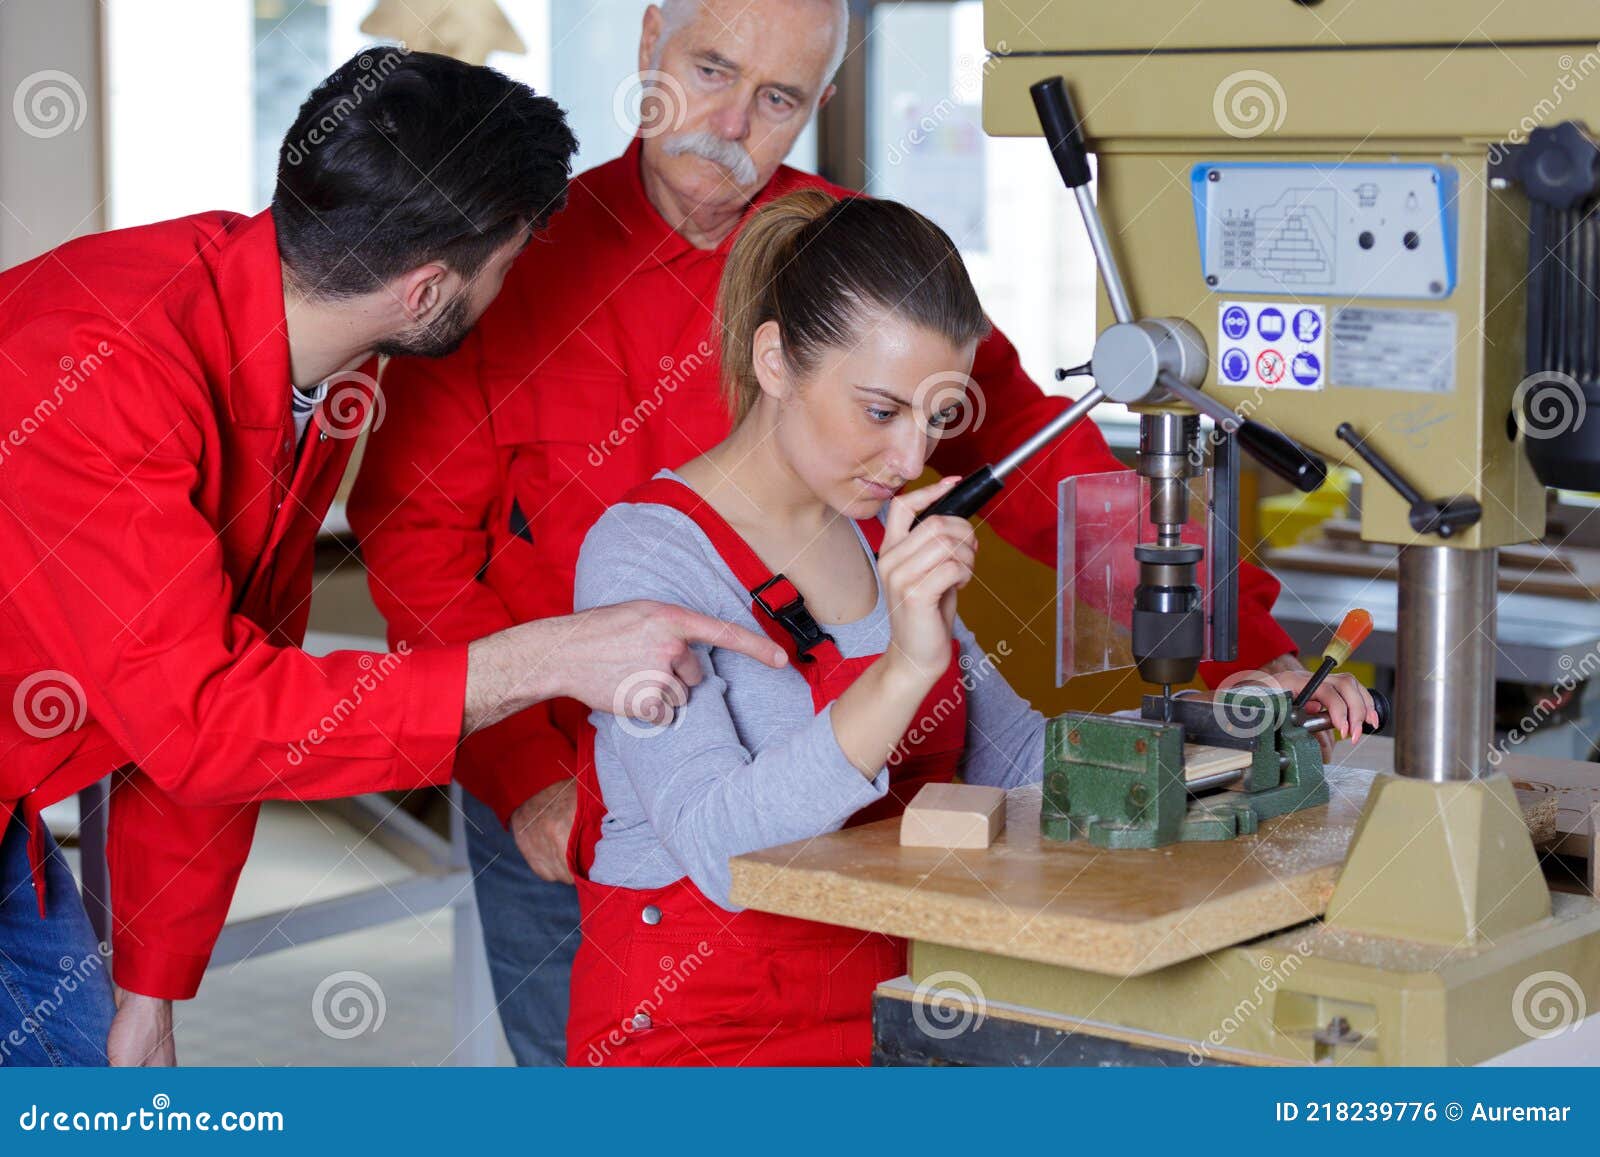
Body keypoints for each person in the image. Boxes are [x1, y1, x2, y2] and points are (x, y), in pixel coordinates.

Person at [347, 0, 1330, 1065]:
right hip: (562, 790)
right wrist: (521, 769)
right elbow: (416, 538)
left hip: (828, 822)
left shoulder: (849, 271)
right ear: (647, 45)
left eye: (777, 99)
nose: (729, 121)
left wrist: (1244, 649)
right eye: (708, 69)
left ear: (818, 102)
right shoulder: (514, 260)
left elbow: (1052, 471)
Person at [0, 48, 785, 1067]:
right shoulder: (88, 373)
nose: (516, 286)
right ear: (424, 292)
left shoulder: (298, 365)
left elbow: (224, 689)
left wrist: (149, 984)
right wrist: (546, 656)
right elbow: (207, 718)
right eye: (508, 261)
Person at [565, 191, 1378, 1065]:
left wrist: (1233, 722)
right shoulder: (643, 554)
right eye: (881, 411)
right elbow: (724, 853)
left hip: (897, 1003)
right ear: (774, 361)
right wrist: (906, 667)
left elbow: (1027, 768)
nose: (914, 461)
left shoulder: (882, 536)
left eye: (938, 417)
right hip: (696, 1035)